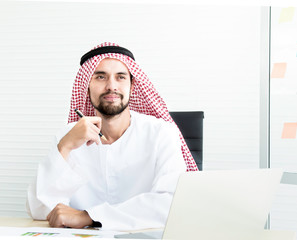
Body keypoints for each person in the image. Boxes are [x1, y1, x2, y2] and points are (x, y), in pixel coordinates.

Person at [27, 42, 198, 231]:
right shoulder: (68, 136)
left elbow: (171, 204)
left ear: (132, 86)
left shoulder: (161, 133)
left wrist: (88, 217)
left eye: (121, 77)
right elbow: (40, 210)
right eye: (100, 77)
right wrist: (65, 146)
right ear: (86, 86)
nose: (111, 86)